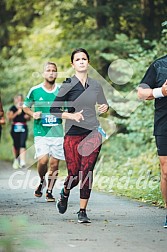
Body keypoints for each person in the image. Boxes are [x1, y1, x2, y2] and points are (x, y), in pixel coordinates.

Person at [50, 48, 109, 223]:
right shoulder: (67, 85)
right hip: (72, 134)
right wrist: (71, 115)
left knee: (86, 172)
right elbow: (54, 110)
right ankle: (65, 192)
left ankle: (82, 211)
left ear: (88, 62)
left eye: (84, 59)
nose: (82, 61)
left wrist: (105, 108)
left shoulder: (96, 85)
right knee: (74, 174)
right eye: (78, 59)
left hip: (92, 133)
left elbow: (104, 104)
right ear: (73, 64)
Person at [23, 62, 64, 202]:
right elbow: (25, 107)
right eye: (48, 70)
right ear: (43, 73)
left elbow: (67, 109)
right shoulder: (35, 90)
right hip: (41, 132)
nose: (51, 73)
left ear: (56, 74)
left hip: (57, 133)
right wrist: (32, 113)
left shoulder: (61, 91)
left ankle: (50, 191)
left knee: (54, 164)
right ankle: (42, 181)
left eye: (54, 70)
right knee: (43, 161)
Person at [137, 55, 167, 228]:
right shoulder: (160, 64)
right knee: (166, 171)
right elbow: (141, 92)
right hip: (164, 124)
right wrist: (160, 92)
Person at [7, 94, 30, 169]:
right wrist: (17, 112)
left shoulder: (25, 108)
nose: (20, 101)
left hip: (23, 127)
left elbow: (29, 117)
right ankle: (16, 159)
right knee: (16, 144)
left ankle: (23, 161)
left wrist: (27, 117)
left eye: (21, 99)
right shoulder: (12, 108)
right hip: (15, 127)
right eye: (18, 99)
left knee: (22, 143)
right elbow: (9, 118)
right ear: (15, 100)